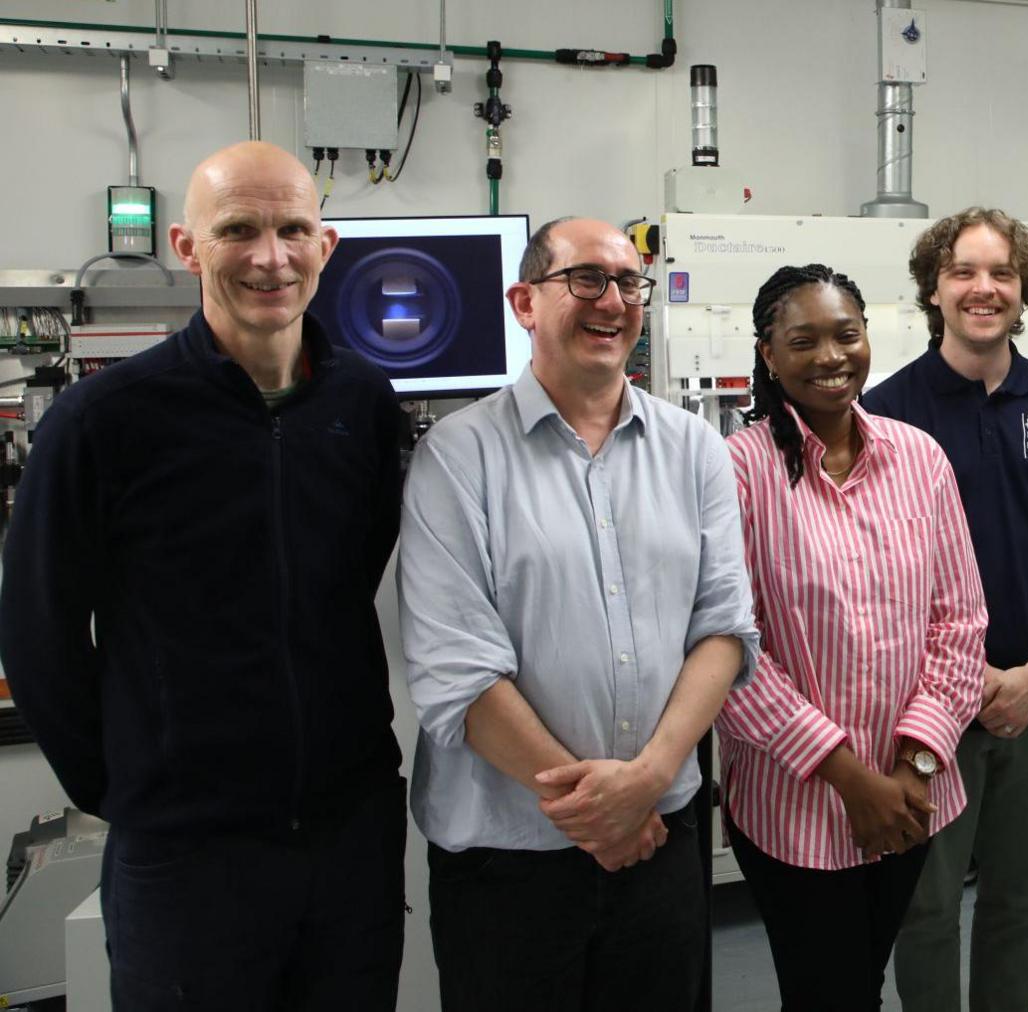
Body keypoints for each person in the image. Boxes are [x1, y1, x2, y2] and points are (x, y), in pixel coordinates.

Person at [0, 141, 408, 1007]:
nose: (271, 257)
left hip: (348, 838)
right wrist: (131, 786)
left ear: (325, 245)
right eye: (239, 230)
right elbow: (38, 634)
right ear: (187, 247)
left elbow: (349, 577)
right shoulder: (103, 422)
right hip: (187, 855)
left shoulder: (363, 407)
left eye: (293, 228)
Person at [398, 217, 759, 1011]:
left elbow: (725, 627)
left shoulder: (693, 447)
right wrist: (601, 814)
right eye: (586, 280)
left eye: (629, 283)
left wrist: (650, 781)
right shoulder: (457, 456)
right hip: (507, 860)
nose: (613, 301)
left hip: (662, 839)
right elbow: (456, 668)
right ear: (524, 301)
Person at [715, 263, 987, 1010]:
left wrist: (914, 763)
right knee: (825, 991)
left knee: (862, 980)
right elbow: (726, 650)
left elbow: (960, 621)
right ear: (768, 354)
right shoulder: (735, 471)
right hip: (794, 804)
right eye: (804, 341)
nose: (832, 357)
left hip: (909, 793)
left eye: (847, 334)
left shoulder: (918, 458)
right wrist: (849, 779)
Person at [865, 208, 1028, 1012]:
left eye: (1001, 273)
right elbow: (872, 571)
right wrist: (962, 677)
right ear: (933, 288)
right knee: (926, 910)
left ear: (1023, 288)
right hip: (927, 710)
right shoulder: (884, 412)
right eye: (964, 272)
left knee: (1021, 901)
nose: (984, 288)